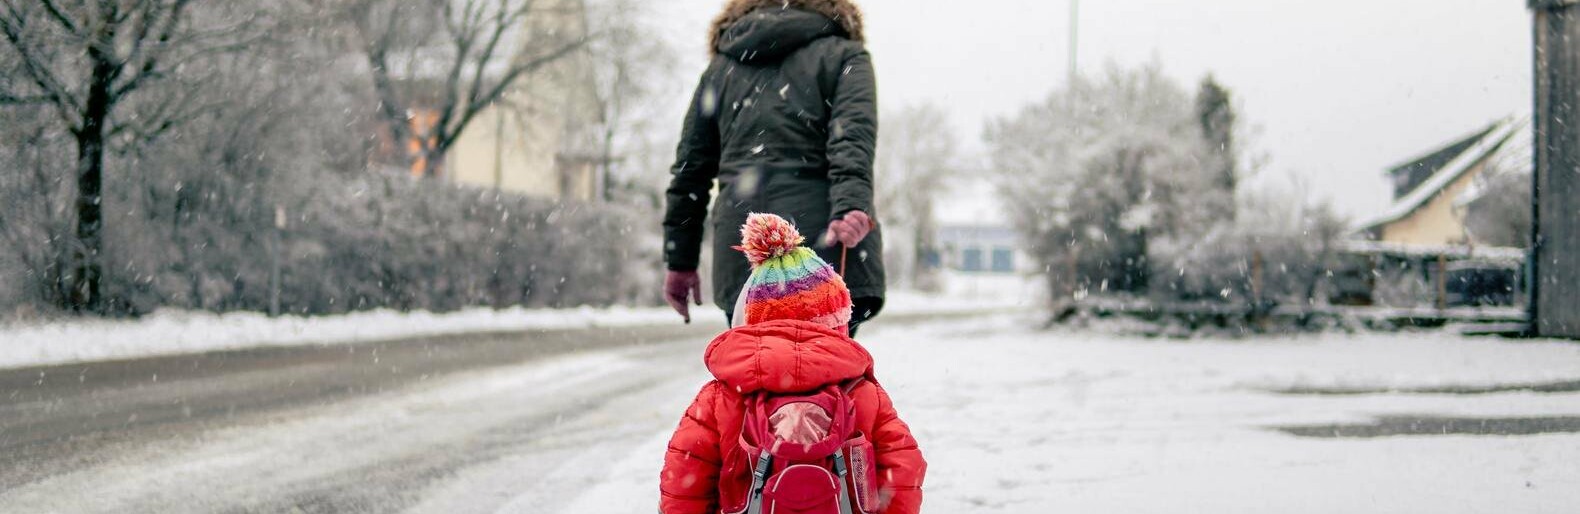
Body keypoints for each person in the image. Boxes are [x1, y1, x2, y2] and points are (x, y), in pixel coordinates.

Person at [660, 213, 924, 514]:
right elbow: (904, 471)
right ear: (838, 324)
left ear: (752, 321)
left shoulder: (722, 397)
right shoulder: (863, 394)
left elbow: (683, 481)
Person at [663, 0, 885, 336]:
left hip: (744, 248)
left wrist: (680, 259)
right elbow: (851, 141)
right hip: (820, 244)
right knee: (825, 373)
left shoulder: (722, 68)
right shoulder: (843, 56)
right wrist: (851, 207)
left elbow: (691, 169)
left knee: (754, 374)